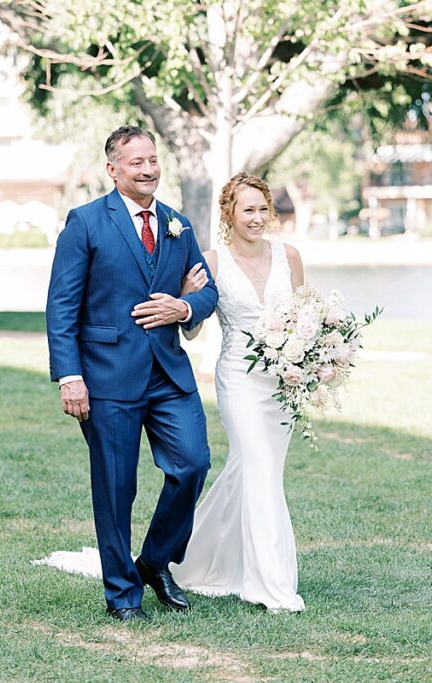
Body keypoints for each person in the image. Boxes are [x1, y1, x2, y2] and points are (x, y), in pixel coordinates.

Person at [45, 125, 219, 622]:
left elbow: (207, 292)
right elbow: (61, 306)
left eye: (153, 159)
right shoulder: (85, 223)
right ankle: (123, 595)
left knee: (192, 464)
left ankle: (154, 560)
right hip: (105, 378)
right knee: (116, 488)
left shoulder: (177, 224)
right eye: (136, 161)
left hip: (168, 376)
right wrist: (69, 376)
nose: (148, 169)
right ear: (113, 168)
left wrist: (183, 307)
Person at [170, 171, 306, 613]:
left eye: (262, 208)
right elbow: (191, 332)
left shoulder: (290, 256)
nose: (257, 217)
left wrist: (315, 358)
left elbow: (308, 318)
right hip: (240, 380)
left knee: (255, 471)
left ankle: (201, 558)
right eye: (247, 209)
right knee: (259, 465)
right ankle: (272, 584)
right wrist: (189, 296)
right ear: (229, 213)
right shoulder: (212, 261)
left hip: (283, 383)